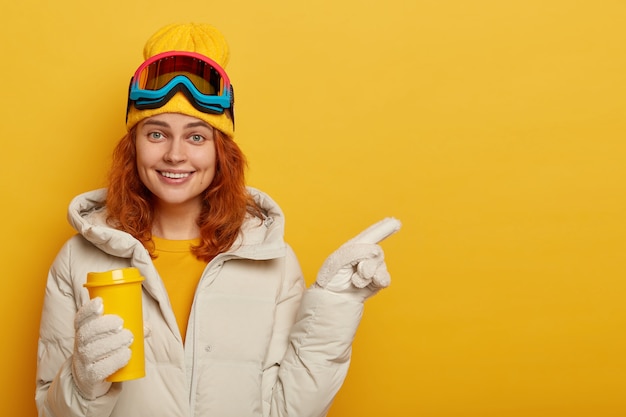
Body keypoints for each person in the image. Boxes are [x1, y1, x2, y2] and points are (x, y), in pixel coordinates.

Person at [35, 23, 400, 417]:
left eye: (196, 137)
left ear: (221, 152)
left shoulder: (271, 260)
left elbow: (290, 411)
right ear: (132, 147)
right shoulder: (78, 260)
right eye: (156, 134)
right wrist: (81, 382)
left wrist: (335, 308)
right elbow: (50, 410)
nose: (175, 155)